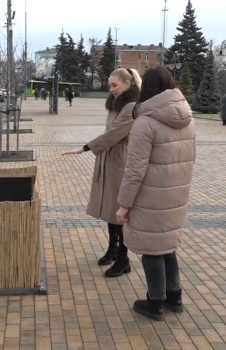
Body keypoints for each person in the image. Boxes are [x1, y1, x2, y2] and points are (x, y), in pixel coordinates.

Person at [116, 67, 195, 321]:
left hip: (150, 196)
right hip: (176, 194)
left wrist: (123, 205)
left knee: (152, 247)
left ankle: (155, 301)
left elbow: (134, 170)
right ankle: (175, 296)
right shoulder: (188, 118)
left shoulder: (145, 122)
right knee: (167, 245)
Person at [62, 68, 142, 277]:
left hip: (121, 160)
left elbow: (114, 134)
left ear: (128, 83)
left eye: (115, 85)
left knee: (120, 208)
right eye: (110, 85)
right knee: (110, 206)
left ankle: (124, 258)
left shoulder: (132, 106)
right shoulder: (115, 105)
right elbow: (109, 134)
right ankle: (113, 249)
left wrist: (85, 148)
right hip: (109, 158)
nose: (111, 89)